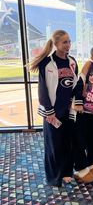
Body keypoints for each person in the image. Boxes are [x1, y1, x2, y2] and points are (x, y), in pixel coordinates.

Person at [29, 29, 78, 187]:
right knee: (53, 146)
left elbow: (75, 85)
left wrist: (76, 104)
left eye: (69, 41)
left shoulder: (72, 61)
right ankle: (53, 177)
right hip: (53, 113)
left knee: (67, 143)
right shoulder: (47, 63)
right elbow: (42, 90)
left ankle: (66, 172)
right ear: (56, 44)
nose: (68, 45)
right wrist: (50, 112)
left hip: (68, 111)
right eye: (64, 42)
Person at [72, 47, 93, 183]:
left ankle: (92, 164)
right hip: (82, 110)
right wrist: (79, 102)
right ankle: (81, 169)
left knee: (92, 139)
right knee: (80, 140)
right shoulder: (89, 65)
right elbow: (80, 81)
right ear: (92, 57)